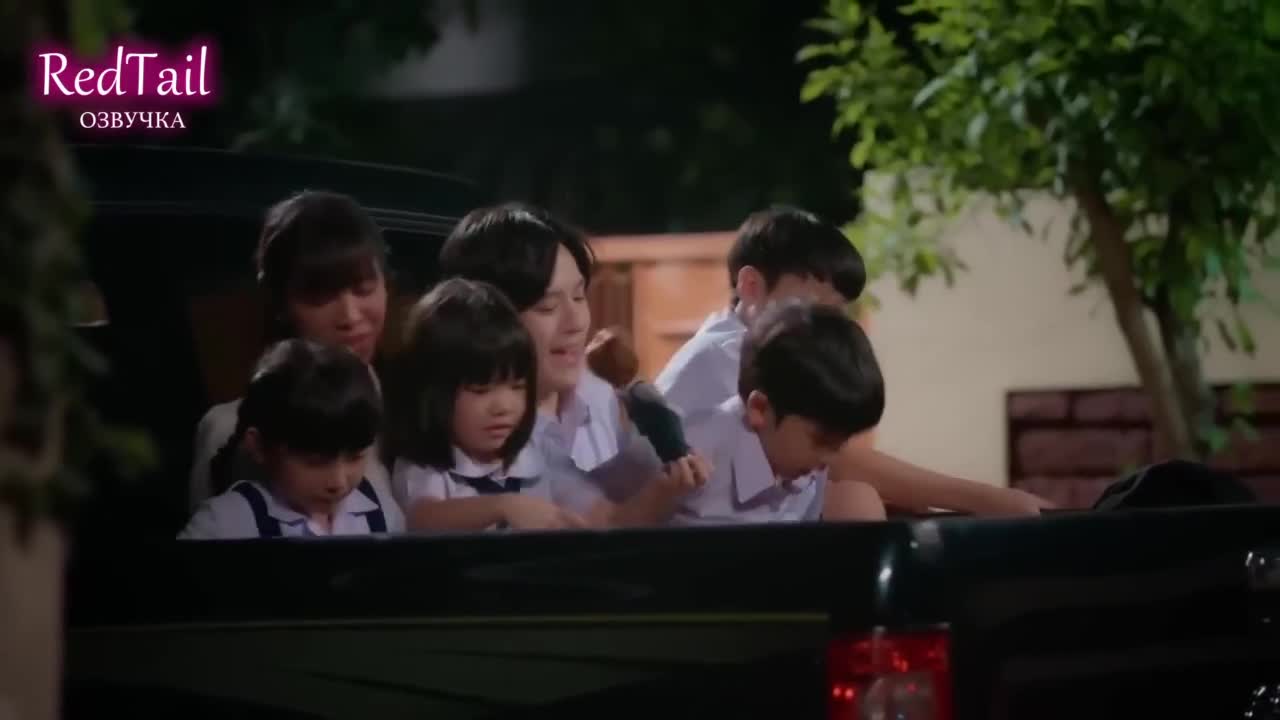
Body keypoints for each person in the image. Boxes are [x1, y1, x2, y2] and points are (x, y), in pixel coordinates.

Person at [655, 206, 1054, 518]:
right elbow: (835, 456)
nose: (825, 326)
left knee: (858, 499)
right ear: (751, 285)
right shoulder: (725, 353)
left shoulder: (744, 341)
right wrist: (985, 500)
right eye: (815, 308)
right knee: (856, 500)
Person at [436, 203, 710, 521]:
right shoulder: (475, 438)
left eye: (579, 297)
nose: (576, 322)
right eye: (548, 306)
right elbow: (602, 523)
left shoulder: (601, 398)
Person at [187, 190, 392, 509]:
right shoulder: (234, 432)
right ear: (281, 304)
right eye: (321, 298)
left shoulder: (423, 405)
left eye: (364, 289)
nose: (351, 316)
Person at [389, 279, 599, 530]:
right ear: (434, 393)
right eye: (481, 390)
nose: (503, 407)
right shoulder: (426, 468)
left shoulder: (538, 452)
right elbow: (424, 517)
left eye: (517, 387)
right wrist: (503, 506)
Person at [672, 299, 883, 525]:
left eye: (838, 444)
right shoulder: (690, 456)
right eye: (822, 440)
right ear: (759, 409)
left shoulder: (804, 469)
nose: (828, 460)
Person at [179, 339, 403, 539]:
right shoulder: (225, 523)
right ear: (258, 446)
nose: (338, 482)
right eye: (316, 462)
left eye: (355, 457)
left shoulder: (382, 512)